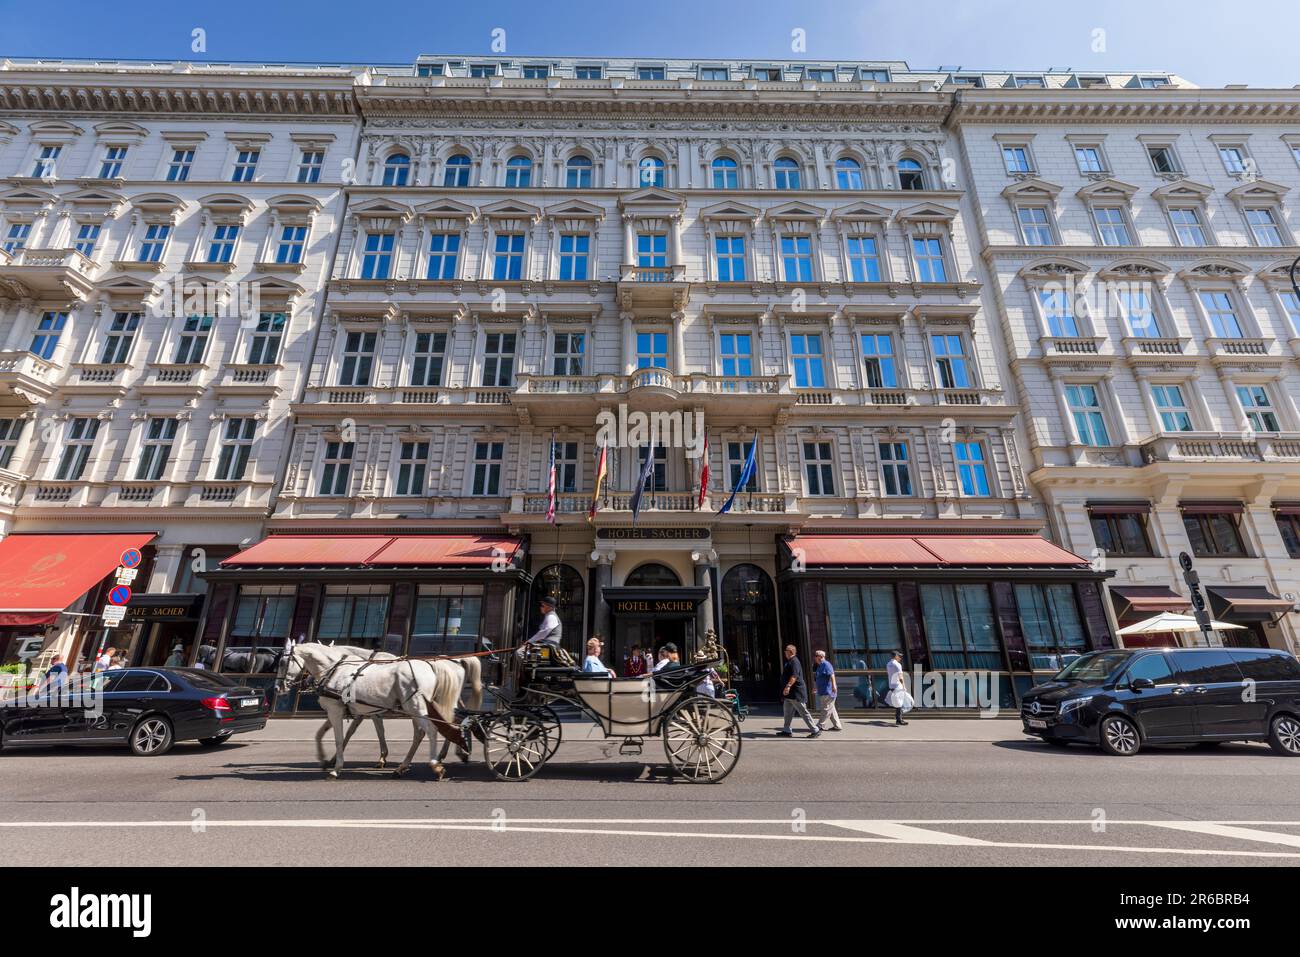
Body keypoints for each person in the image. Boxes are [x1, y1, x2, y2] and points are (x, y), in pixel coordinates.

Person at [778, 644, 820, 738]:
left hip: (796, 692)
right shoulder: (790, 661)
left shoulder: (794, 661)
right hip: (790, 694)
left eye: (786, 651)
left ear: (790, 652)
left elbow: (794, 676)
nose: (785, 653)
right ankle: (786, 730)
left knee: (803, 711)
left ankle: (815, 730)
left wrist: (788, 686)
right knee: (787, 712)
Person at [812, 649, 842, 732]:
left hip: (828, 691)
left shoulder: (826, 664)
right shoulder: (820, 666)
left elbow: (832, 675)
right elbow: (818, 678)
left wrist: (834, 686)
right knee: (831, 709)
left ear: (821, 657)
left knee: (826, 709)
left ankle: (820, 725)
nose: (814, 658)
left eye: (816, 656)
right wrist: (815, 687)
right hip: (823, 691)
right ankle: (837, 726)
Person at [886, 650, 909, 726]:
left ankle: (898, 718)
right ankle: (899, 720)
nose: (900, 657)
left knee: (898, 702)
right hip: (897, 685)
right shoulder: (898, 665)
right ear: (895, 656)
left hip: (891, 685)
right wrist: (904, 686)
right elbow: (900, 677)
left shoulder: (888, 664)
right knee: (900, 703)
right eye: (899, 656)